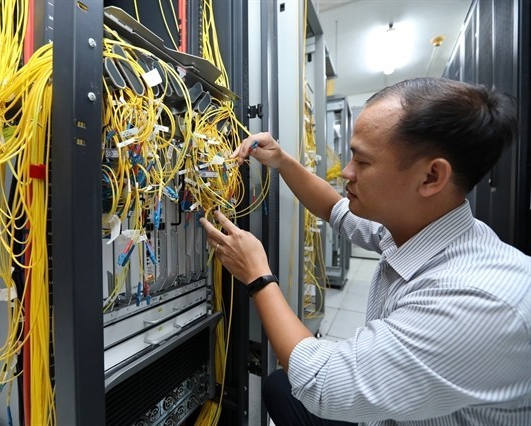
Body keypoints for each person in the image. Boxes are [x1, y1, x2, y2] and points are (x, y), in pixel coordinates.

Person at [199, 77, 531, 425]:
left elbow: (322, 385)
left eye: (363, 161)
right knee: (280, 387)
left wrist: (257, 276)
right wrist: (281, 160)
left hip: (382, 412)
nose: (346, 172)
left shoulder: (478, 302)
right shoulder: (419, 227)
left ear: (432, 177)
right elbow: (333, 209)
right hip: (391, 412)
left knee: (297, 385)